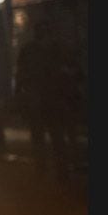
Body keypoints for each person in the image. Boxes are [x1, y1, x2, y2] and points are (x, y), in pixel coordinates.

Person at [14, 20, 75, 178]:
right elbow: (67, 71)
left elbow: (21, 73)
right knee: (55, 134)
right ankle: (61, 169)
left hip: (39, 97)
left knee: (41, 134)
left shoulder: (30, 50)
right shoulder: (55, 50)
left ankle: (43, 168)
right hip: (50, 97)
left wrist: (19, 93)